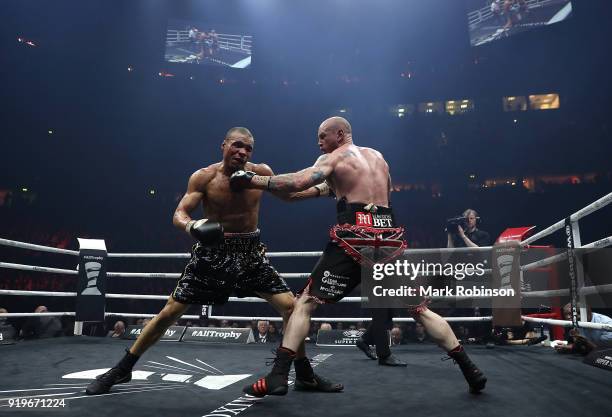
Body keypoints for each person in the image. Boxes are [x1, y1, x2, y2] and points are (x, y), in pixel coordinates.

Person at [231, 116, 487, 396]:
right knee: (420, 310)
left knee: (305, 303)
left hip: (353, 240)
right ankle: (470, 370)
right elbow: (378, 194)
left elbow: (296, 182)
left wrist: (252, 179)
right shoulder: (378, 158)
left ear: (339, 134)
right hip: (389, 241)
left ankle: (278, 376)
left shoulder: (334, 157)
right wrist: (328, 191)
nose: (318, 143)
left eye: (322, 137)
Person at [85, 127, 341, 395]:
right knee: (169, 312)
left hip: (250, 253)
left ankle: (304, 374)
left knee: (291, 307)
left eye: (248, 148)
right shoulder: (204, 177)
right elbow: (179, 213)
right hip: (213, 253)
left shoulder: (261, 172)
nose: (242, 151)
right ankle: (122, 369)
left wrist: (323, 190)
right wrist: (192, 226)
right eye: (237, 145)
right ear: (224, 145)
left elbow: (288, 195)